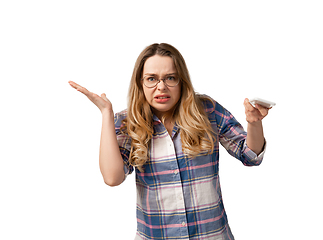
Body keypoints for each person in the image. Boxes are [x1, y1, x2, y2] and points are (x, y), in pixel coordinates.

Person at [68, 43, 270, 240]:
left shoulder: (208, 111)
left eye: (170, 78)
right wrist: (106, 113)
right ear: (140, 83)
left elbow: (251, 156)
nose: (161, 87)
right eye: (151, 79)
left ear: (181, 81)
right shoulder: (127, 122)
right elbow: (112, 178)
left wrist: (254, 123)